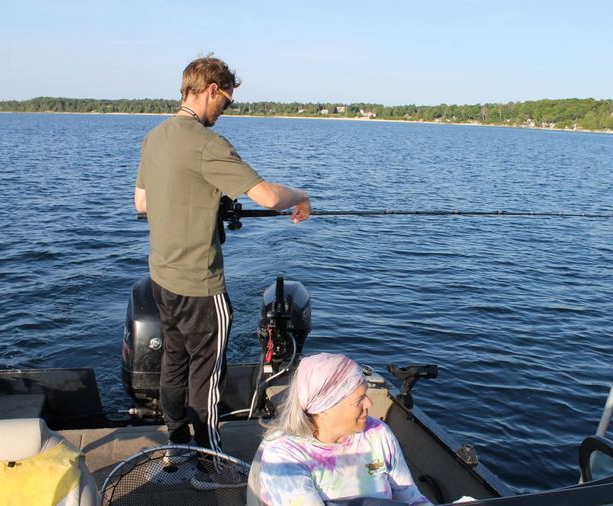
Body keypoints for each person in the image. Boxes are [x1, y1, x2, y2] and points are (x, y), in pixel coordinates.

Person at [134, 55, 311, 459]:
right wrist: (302, 195)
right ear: (212, 90)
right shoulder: (207, 143)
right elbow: (269, 197)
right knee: (208, 375)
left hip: (162, 278)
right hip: (200, 286)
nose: (225, 111)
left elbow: (142, 203)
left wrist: (202, 201)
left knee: (174, 365)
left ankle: (176, 445)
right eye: (227, 102)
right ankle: (209, 461)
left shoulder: (154, 137)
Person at [257, 353, 432, 505]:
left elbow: (411, 498)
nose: (369, 403)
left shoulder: (377, 433)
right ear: (325, 407)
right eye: (359, 400)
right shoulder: (284, 456)